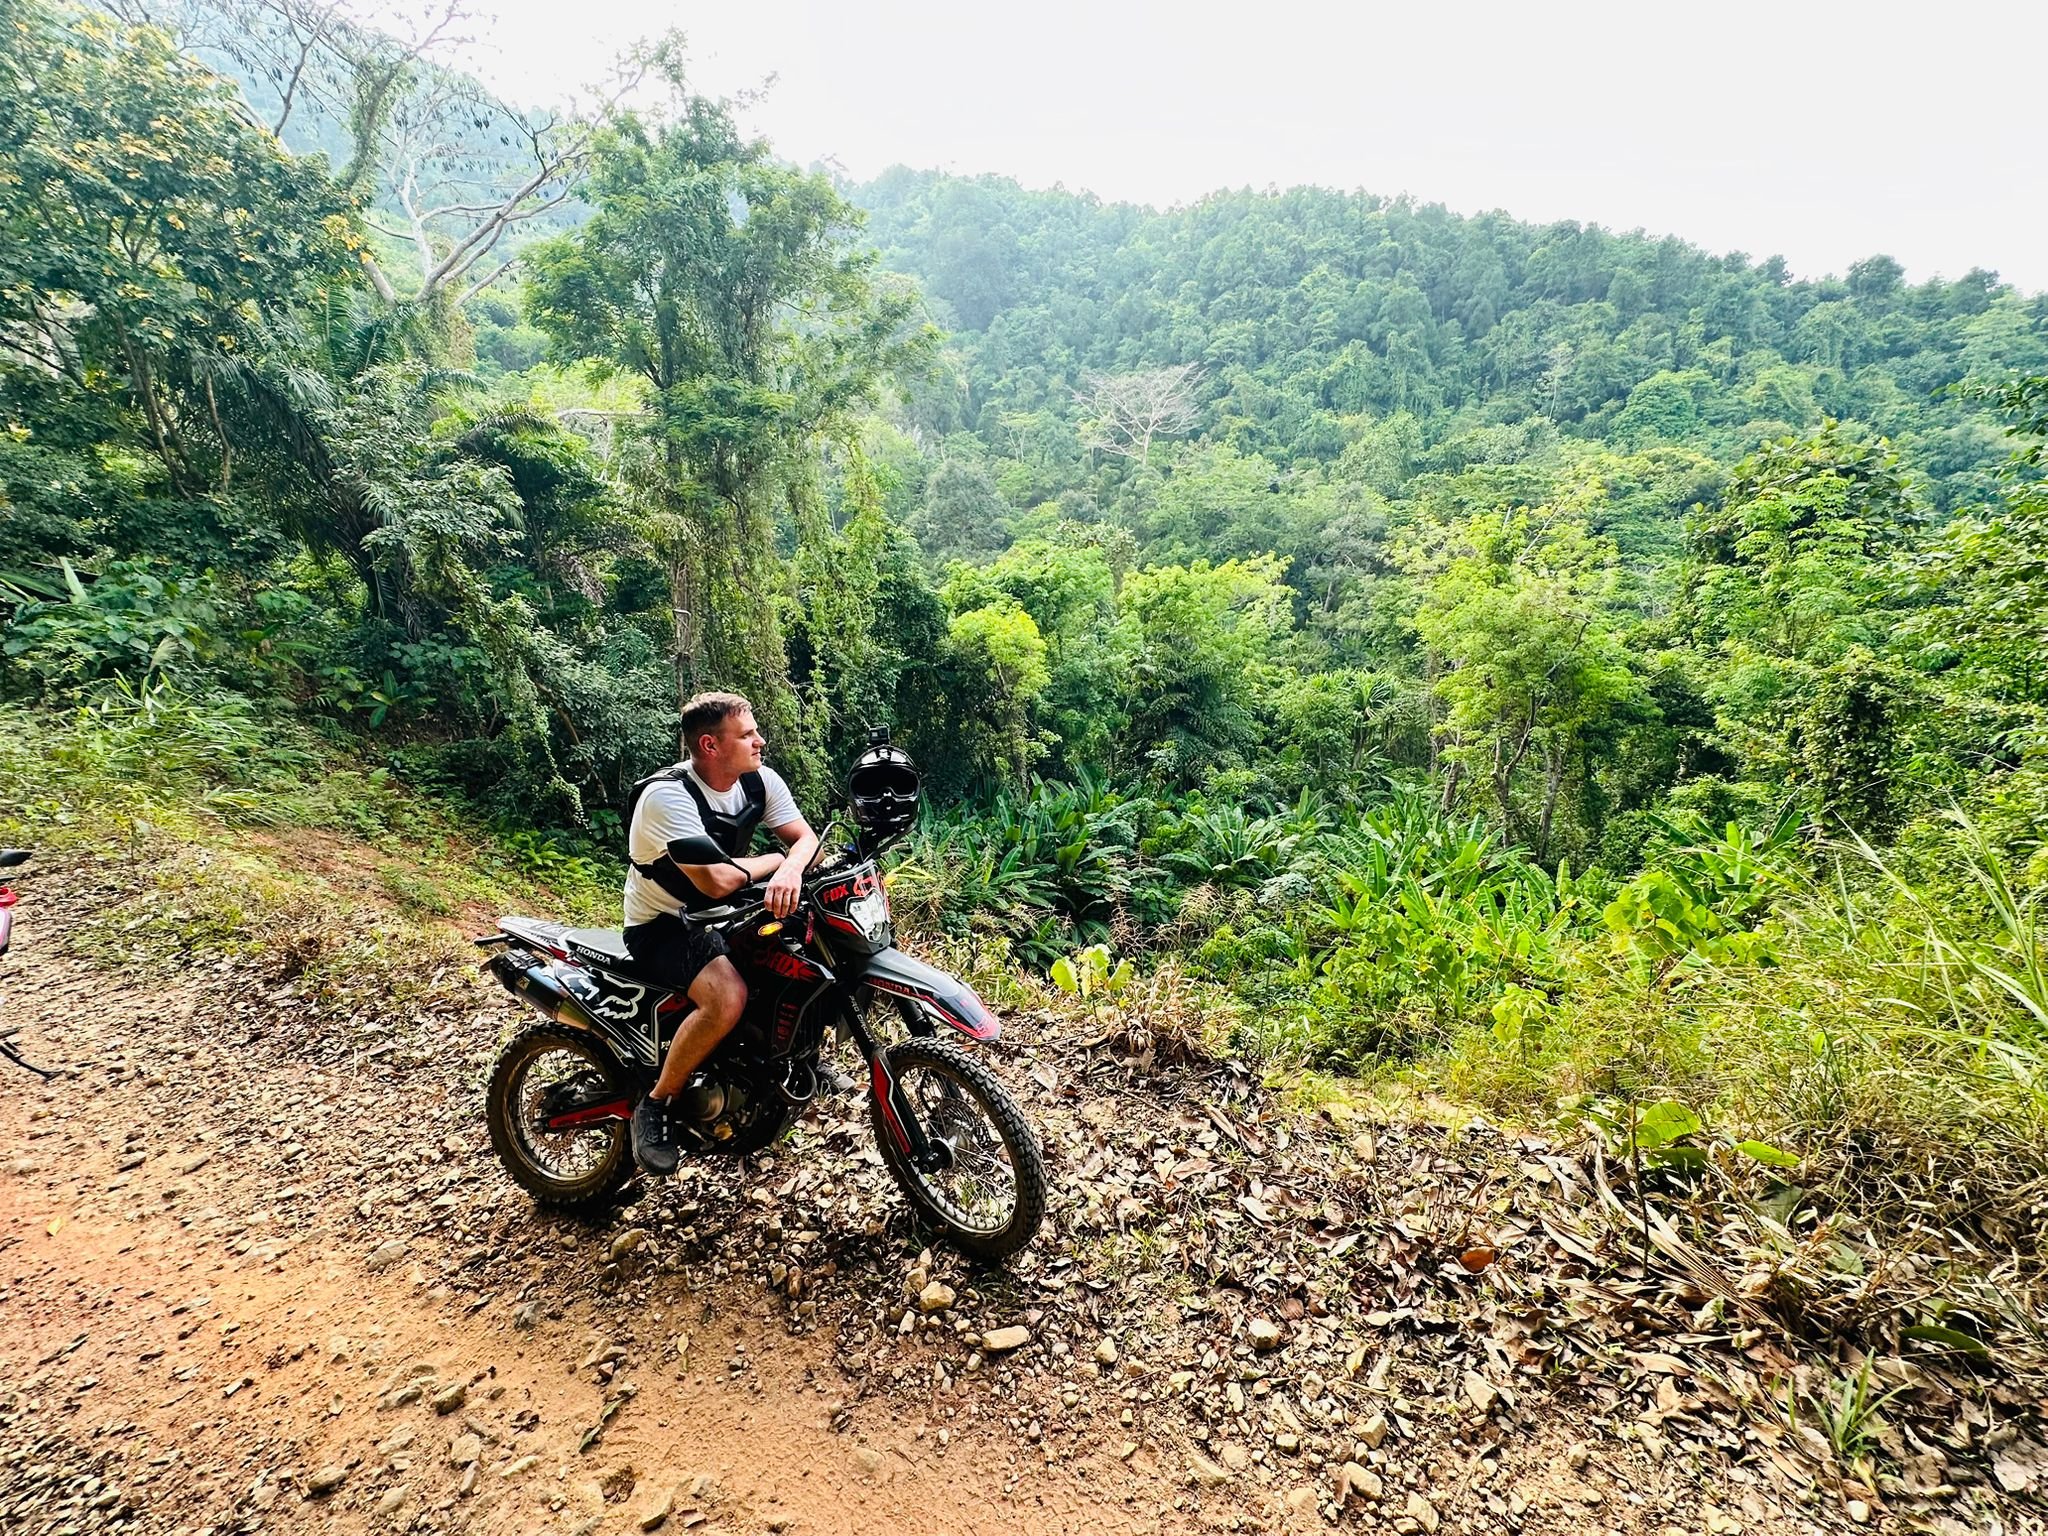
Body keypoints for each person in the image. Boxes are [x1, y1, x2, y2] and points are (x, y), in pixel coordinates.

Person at [623, 691, 818, 1174]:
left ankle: (785, 1059)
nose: (760, 741)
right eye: (747, 735)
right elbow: (716, 882)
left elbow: (806, 839)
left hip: (726, 913)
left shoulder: (758, 781)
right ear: (710, 746)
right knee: (727, 997)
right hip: (664, 923)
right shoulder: (666, 797)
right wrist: (778, 862)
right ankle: (658, 1103)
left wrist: (792, 872)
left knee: (806, 955)